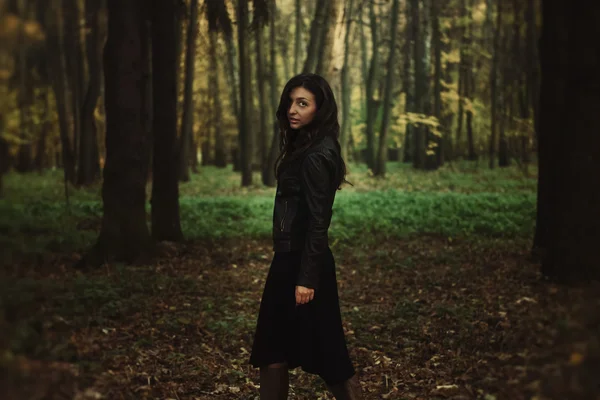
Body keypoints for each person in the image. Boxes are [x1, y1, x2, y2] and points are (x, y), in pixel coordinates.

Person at [248, 73, 363, 400]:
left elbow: (317, 222)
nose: (292, 110)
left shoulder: (315, 156)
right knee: (272, 348)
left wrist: (307, 278)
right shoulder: (308, 147)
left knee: (330, 355)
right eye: (290, 102)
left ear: (319, 109)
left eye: (303, 103)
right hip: (290, 261)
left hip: (303, 266)